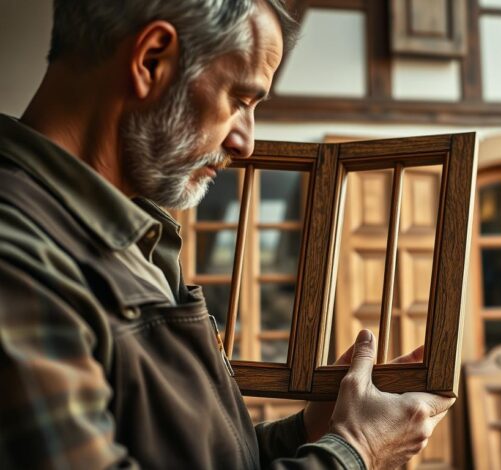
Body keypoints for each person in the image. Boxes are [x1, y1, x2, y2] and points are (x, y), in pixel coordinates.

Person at [0, 0, 455, 468]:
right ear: (151, 59)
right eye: (240, 101)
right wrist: (355, 450)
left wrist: (311, 431)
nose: (246, 142)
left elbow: (199, 455)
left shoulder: (135, 238)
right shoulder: (18, 260)